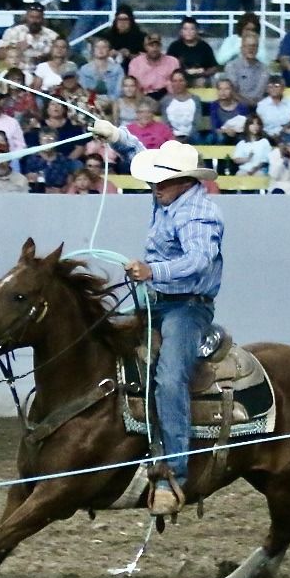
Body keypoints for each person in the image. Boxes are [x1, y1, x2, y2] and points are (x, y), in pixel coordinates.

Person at [86, 118, 224, 517]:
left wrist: (153, 272)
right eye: (154, 181)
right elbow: (137, 156)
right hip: (157, 301)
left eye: (161, 182)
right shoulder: (167, 195)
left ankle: (173, 474)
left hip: (187, 306)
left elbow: (199, 261)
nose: (154, 186)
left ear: (184, 181)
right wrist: (114, 135)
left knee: (169, 378)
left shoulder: (199, 214)